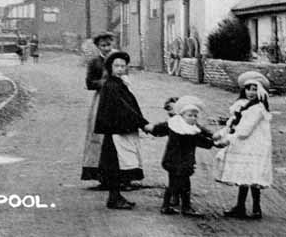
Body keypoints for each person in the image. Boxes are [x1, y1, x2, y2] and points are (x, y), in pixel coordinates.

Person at [93, 50, 154, 209]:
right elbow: (125, 108)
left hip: (118, 129)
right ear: (110, 67)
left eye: (123, 66)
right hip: (115, 130)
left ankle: (115, 196)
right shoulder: (113, 85)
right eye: (116, 66)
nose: (120, 68)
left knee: (115, 165)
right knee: (115, 165)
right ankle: (114, 198)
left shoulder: (118, 83)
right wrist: (143, 123)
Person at [151, 95, 225, 217]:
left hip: (184, 162)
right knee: (176, 184)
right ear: (181, 115)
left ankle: (176, 206)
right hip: (174, 160)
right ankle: (175, 206)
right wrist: (151, 128)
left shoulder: (192, 129)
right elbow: (159, 128)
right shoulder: (174, 124)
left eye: (195, 116)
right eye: (189, 115)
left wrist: (214, 143)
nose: (192, 118)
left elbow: (201, 139)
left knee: (181, 184)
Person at [214, 71, 273, 220]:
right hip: (242, 145)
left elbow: (245, 130)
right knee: (243, 174)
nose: (251, 92)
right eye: (248, 89)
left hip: (254, 145)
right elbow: (232, 123)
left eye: (255, 89)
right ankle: (240, 206)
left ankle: (256, 207)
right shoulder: (239, 105)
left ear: (260, 91)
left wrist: (228, 139)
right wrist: (221, 133)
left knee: (253, 175)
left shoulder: (258, 109)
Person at [80, 31, 115, 187]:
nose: (106, 48)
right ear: (98, 46)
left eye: (108, 44)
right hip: (101, 99)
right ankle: (101, 175)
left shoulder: (118, 60)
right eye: (103, 45)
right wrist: (103, 82)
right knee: (98, 134)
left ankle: (122, 175)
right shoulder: (95, 62)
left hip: (117, 98)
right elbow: (89, 83)